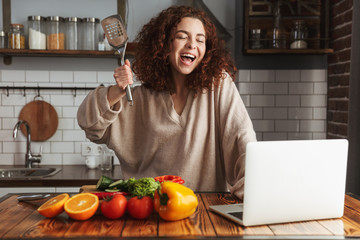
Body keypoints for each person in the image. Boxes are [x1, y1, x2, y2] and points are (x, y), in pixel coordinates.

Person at [77, 5, 256, 199]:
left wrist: (253, 188)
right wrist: (116, 91)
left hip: (206, 208)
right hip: (150, 208)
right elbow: (90, 125)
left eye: (200, 39)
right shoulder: (138, 98)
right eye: (182, 36)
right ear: (163, 43)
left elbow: (242, 137)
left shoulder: (218, 86)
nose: (192, 45)